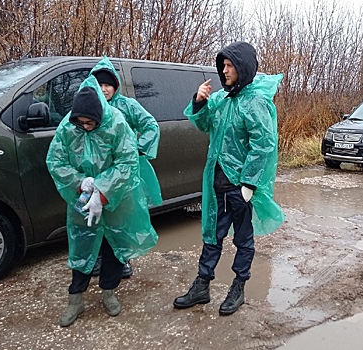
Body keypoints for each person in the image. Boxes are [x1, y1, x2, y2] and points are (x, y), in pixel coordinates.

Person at [173, 41, 284, 316]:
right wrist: (199, 102)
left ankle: (239, 286)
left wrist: (249, 182)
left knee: (243, 240)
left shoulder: (255, 103)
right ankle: (202, 285)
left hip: (239, 187)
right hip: (216, 183)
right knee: (212, 234)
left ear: (242, 68)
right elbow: (204, 124)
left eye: (229, 65)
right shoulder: (222, 99)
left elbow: (264, 145)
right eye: (223, 65)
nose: (224, 71)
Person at [46, 75, 158, 327]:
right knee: (81, 243)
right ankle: (75, 298)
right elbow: (55, 161)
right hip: (82, 195)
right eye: (81, 122)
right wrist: (81, 182)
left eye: (90, 123)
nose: (85, 126)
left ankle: (109, 291)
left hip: (117, 195)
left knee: (114, 245)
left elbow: (127, 162)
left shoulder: (117, 124)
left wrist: (104, 190)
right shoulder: (68, 127)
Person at [89, 56, 162, 279]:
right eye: (99, 85)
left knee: (122, 216)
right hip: (98, 173)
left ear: (115, 86)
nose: (104, 89)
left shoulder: (126, 106)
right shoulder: (89, 107)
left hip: (123, 174)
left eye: (108, 85)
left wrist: (138, 149)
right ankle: (100, 258)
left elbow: (151, 125)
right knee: (98, 216)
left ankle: (124, 259)